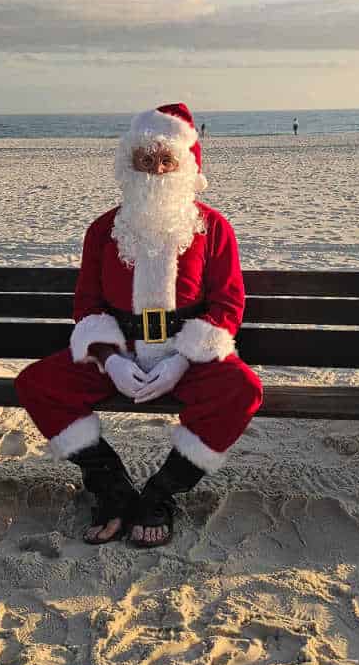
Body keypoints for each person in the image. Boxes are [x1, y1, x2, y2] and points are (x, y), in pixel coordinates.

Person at [15, 103, 263, 548]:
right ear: (128, 164)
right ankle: (111, 487)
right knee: (38, 383)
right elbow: (87, 304)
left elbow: (228, 304)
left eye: (166, 160)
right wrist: (109, 359)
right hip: (122, 354)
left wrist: (183, 361)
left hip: (186, 356)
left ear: (185, 165)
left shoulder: (214, 228)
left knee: (242, 390)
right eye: (145, 160)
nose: (155, 170)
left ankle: (162, 493)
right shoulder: (102, 230)